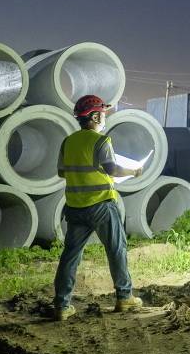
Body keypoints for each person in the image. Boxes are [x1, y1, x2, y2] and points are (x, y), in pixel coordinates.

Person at [51, 95, 144, 321]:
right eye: (102, 113)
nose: (104, 117)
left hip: (75, 207)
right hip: (102, 204)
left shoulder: (68, 141)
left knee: (70, 256)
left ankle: (62, 305)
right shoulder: (102, 141)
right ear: (94, 116)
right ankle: (124, 297)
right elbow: (112, 169)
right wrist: (133, 171)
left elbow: (62, 172)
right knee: (116, 249)